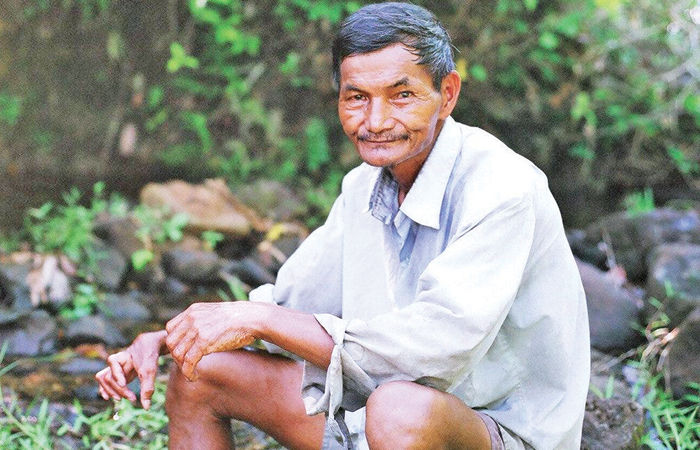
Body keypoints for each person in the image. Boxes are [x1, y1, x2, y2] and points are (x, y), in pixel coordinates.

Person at [95, 3, 590, 449]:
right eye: (356, 98)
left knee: (399, 410)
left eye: (401, 95)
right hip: (380, 416)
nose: (375, 121)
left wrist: (258, 321)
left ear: (447, 94)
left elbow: (435, 350)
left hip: (495, 432)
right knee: (200, 370)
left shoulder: (504, 188)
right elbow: (292, 305)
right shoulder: (363, 185)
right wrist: (175, 337)